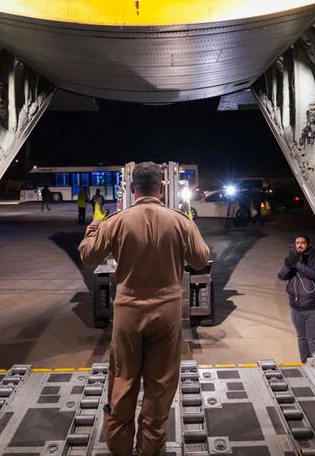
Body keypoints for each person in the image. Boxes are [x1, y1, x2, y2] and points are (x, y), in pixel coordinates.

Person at [79, 162, 210, 456]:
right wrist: (191, 227)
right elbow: (201, 260)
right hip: (167, 312)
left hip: (128, 311)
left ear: (134, 189)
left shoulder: (116, 221)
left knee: (123, 384)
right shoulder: (179, 221)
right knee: (159, 388)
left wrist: (96, 224)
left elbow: (88, 256)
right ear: (162, 188)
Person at [277, 235, 315, 362]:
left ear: (308, 244)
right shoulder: (293, 259)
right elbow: (281, 276)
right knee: (301, 337)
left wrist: (297, 264)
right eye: (297, 243)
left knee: (313, 340)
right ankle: (304, 363)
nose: (299, 245)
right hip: (296, 308)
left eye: (302, 243)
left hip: (314, 309)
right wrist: (288, 264)